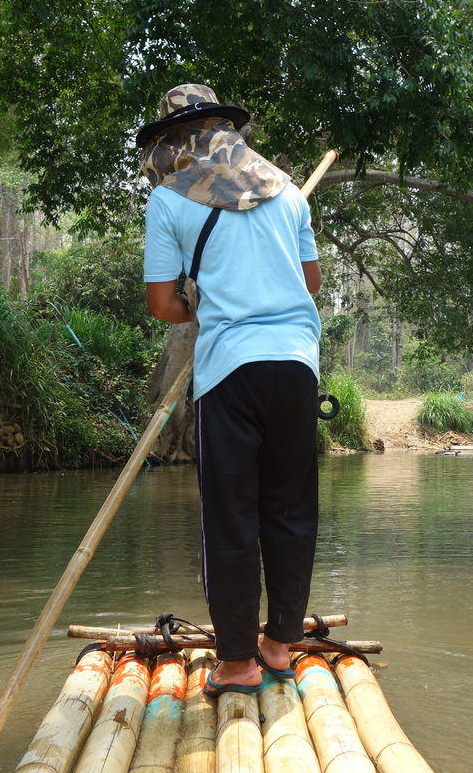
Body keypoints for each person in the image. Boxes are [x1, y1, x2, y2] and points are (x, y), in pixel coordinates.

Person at [139, 84, 321, 696]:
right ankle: (278, 647)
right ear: (227, 130)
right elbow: (311, 283)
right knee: (290, 512)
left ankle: (237, 663)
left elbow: (165, 303)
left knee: (231, 516)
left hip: (230, 372)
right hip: (297, 367)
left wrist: (203, 302)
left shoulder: (168, 200)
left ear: (174, 141)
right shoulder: (290, 192)